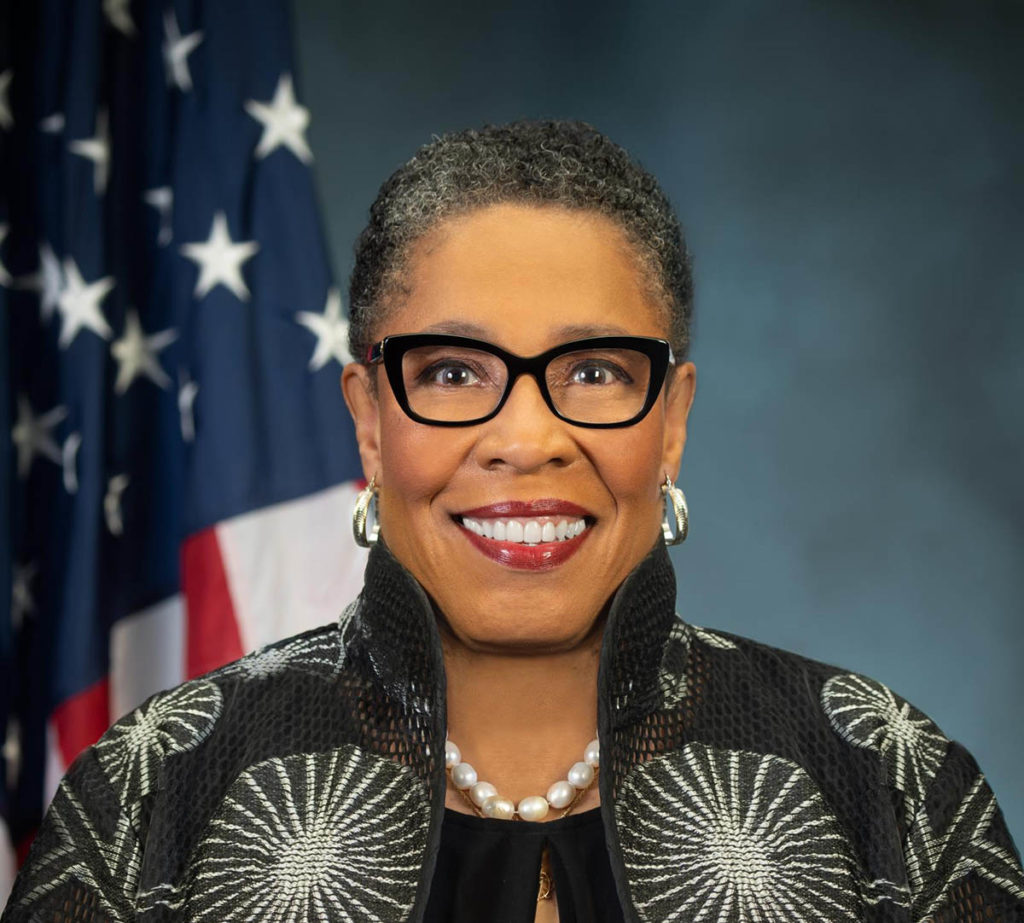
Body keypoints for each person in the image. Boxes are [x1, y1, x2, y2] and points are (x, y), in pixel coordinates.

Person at [3, 120, 1022, 923]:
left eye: (592, 370)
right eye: (452, 372)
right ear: (367, 419)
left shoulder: (886, 777)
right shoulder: (156, 787)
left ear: (670, 421)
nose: (525, 438)